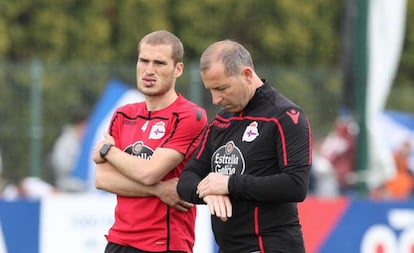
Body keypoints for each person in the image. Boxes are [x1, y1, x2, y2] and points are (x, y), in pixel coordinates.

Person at [177, 40, 312, 253]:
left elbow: (295, 185)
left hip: (270, 246)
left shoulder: (285, 116)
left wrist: (229, 184)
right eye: (210, 90)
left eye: (222, 88)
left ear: (247, 74)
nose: (215, 99)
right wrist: (208, 192)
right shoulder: (221, 121)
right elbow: (187, 178)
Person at [92, 30, 207, 253]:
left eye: (159, 63)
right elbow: (102, 178)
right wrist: (158, 190)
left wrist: (108, 150)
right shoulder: (123, 114)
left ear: (178, 69)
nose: (149, 70)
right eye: (144, 61)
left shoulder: (190, 115)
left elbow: (149, 172)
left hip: (164, 244)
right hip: (118, 241)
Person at [49, 109, 88, 192]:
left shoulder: (79, 141)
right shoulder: (66, 142)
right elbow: (62, 166)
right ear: (81, 124)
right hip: (67, 185)